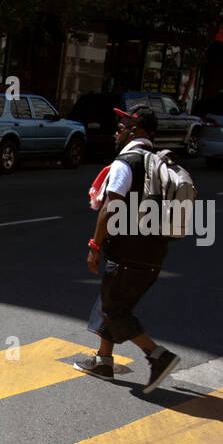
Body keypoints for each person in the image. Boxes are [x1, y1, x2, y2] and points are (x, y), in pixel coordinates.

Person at [75, 105, 180, 393]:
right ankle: (104, 361)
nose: (116, 132)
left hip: (127, 254)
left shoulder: (127, 162)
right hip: (152, 252)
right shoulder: (156, 162)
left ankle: (159, 356)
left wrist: (95, 245)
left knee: (114, 309)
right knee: (111, 302)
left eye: (121, 127)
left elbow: (110, 208)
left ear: (136, 131)